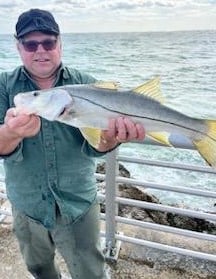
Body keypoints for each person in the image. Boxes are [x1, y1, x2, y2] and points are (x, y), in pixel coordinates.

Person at [0, 8, 145, 279]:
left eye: (48, 42)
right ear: (18, 47)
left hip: (78, 201)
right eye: (31, 44)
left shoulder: (87, 84)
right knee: (39, 268)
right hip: (27, 203)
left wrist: (112, 136)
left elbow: (97, 146)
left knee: (91, 271)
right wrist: (11, 131)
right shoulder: (4, 86)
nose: (40, 50)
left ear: (60, 43)